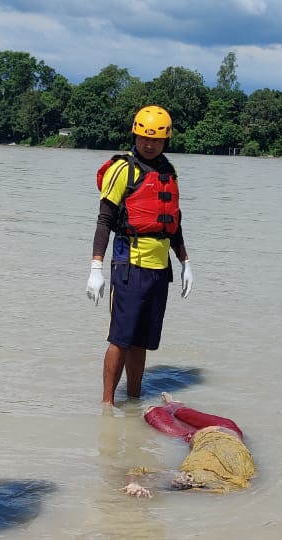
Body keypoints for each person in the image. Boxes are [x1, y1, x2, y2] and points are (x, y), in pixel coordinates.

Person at [86, 105, 193, 406]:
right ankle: (107, 406)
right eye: (145, 138)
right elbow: (104, 219)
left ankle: (133, 401)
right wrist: (96, 267)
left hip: (160, 269)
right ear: (135, 135)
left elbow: (174, 221)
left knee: (141, 341)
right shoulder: (124, 169)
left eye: (157, 140)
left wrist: (186, 261)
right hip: (129, 265)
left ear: (165, 141)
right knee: (120, 338)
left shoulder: (168, 172)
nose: (150, 144)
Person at [122, 393, 255, 497]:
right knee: (180, 411)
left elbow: (139, 469)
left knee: (151, 411)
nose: (179, 478)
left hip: (191, 437)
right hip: (227, 428)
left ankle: (172, 405)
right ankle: (174, 405)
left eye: (178, 479)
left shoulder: (188, 475)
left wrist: (133, 484)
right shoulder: (225, 482)